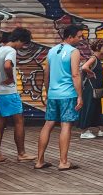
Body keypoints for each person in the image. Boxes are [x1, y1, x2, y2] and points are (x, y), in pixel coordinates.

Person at [34, 24, 85, 171]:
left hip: (53, 94)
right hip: (68, 94)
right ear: (70, 37)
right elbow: (75, 74)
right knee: (66, 125)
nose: (80, 39)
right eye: (79, 36)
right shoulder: (74, 52)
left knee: (48, 124)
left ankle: (39, 160)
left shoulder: (52, 51)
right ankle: (63, 162)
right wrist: (80, 95)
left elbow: (46, 72)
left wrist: (48, 89)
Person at [0, 28, 35, 163]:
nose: (23, 47)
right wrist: (10, 78)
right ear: (20, 40)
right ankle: (21, 153)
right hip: (9, 92)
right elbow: (8, 65)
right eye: (23, 44)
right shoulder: (11, 51)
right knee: (19, 121)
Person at [78, 39, 103, 139]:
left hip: (95, 88)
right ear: (99, 48)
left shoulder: (98, 59)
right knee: (89, 107)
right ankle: (84, 131)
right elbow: (84, 67)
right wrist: (91, 73)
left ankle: (100, 128)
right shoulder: (93, 58)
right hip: (90, 88)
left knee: (96, 108)